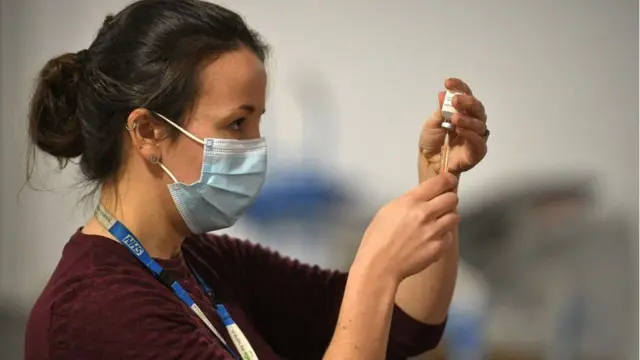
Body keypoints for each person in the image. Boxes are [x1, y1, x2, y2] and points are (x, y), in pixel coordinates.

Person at [23, 1, 489, 359]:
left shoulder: (207, 262)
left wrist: (438, 179)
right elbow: (376, 300)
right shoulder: (95, 310)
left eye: (257, 123)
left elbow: (406, 323)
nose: (254, 146)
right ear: (148, 132)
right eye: (236, 124)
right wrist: (377, 269)